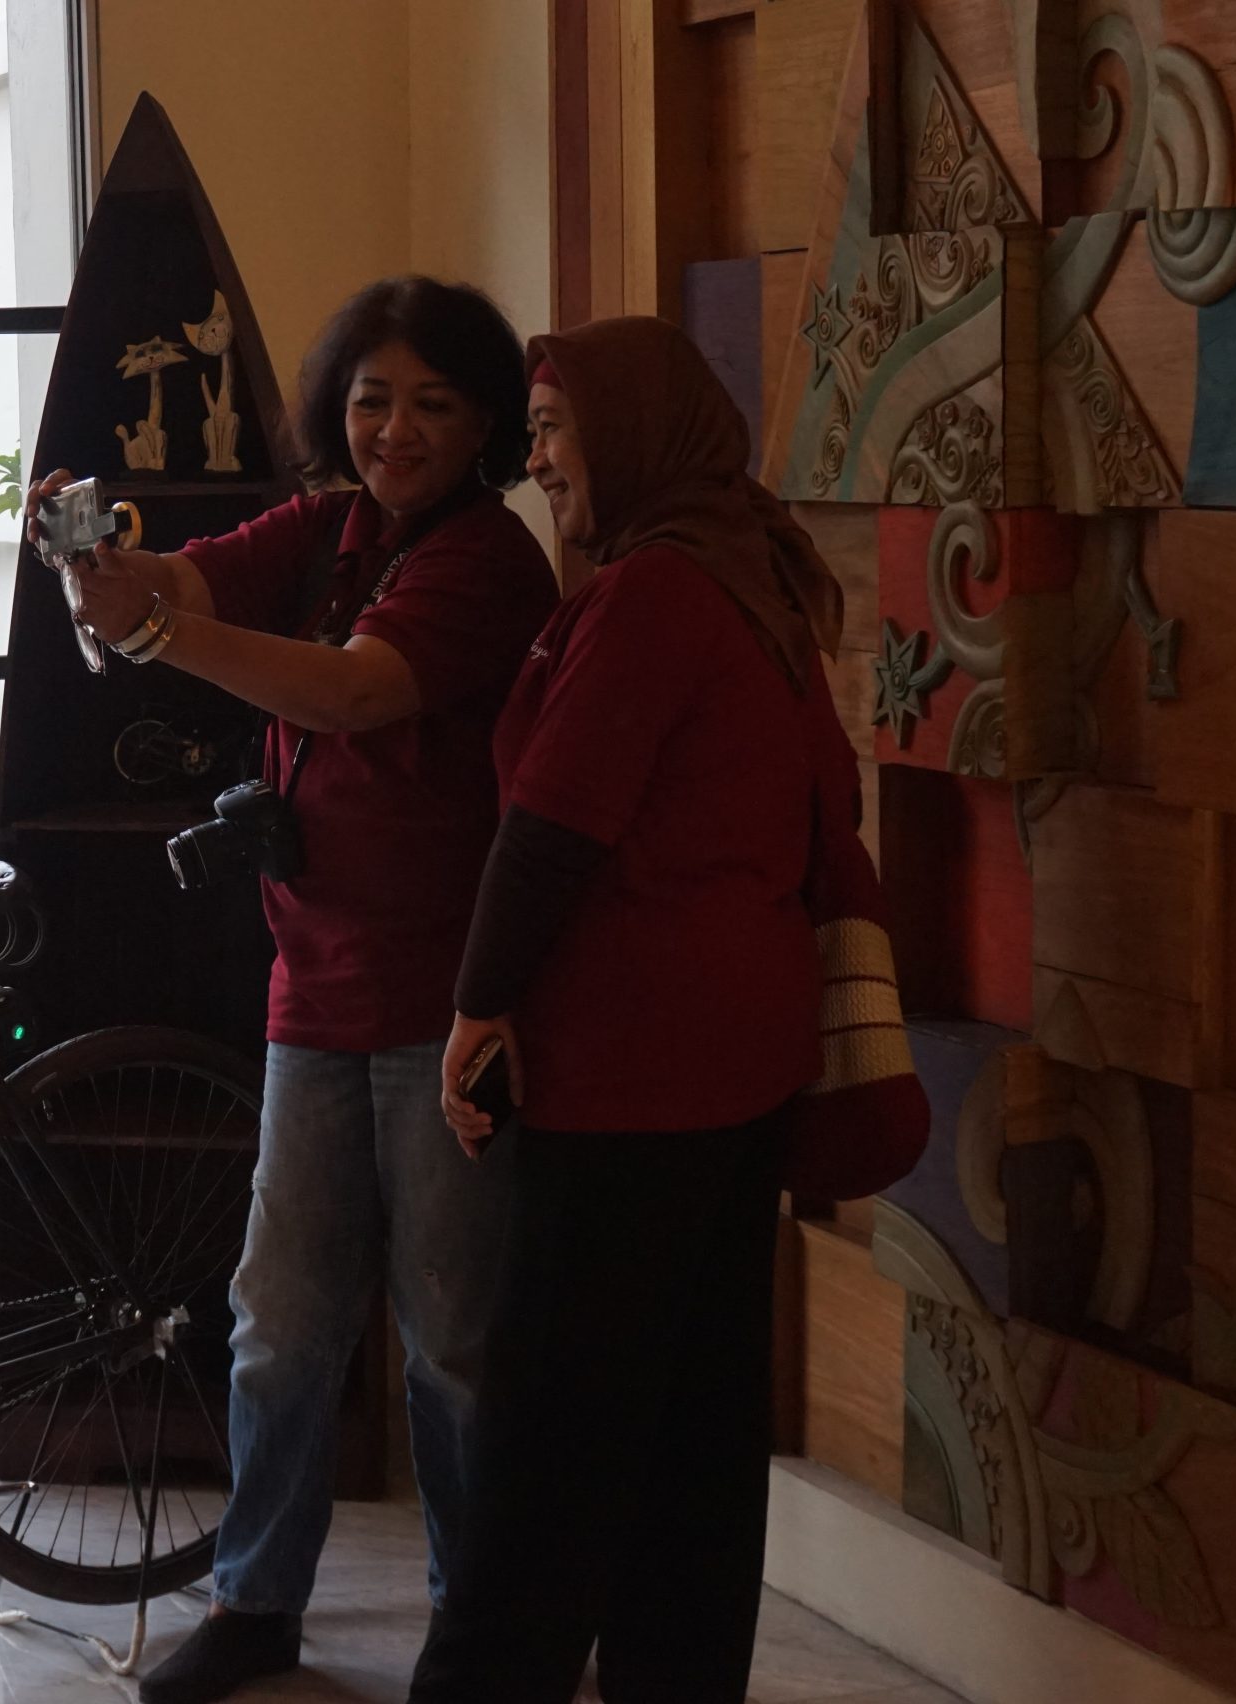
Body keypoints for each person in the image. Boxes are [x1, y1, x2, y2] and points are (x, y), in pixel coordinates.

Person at [31, 275, 558, 1704]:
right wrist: (105, 571)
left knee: (452, 1342)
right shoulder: (329, 530)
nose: (396, 430)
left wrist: (153, 635)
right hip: (313, 989)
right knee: (277, 1324)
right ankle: (257, 1603)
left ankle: (477, 1628)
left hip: (448, 1004)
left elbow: (350, 693)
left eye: (433, 405)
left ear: (486, 427)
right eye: (374, 400)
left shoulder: (488, 562)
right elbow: (187, 583)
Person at [408, 316, 850, 1704]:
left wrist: (476, 1011)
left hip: (631, 1086)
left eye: (552, 432)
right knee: (692, 1452)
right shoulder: (756, 575)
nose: (536, 461)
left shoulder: (653, 596)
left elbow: (550, 829)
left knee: (542, 1462)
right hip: (741, 1076)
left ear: (631, 435)